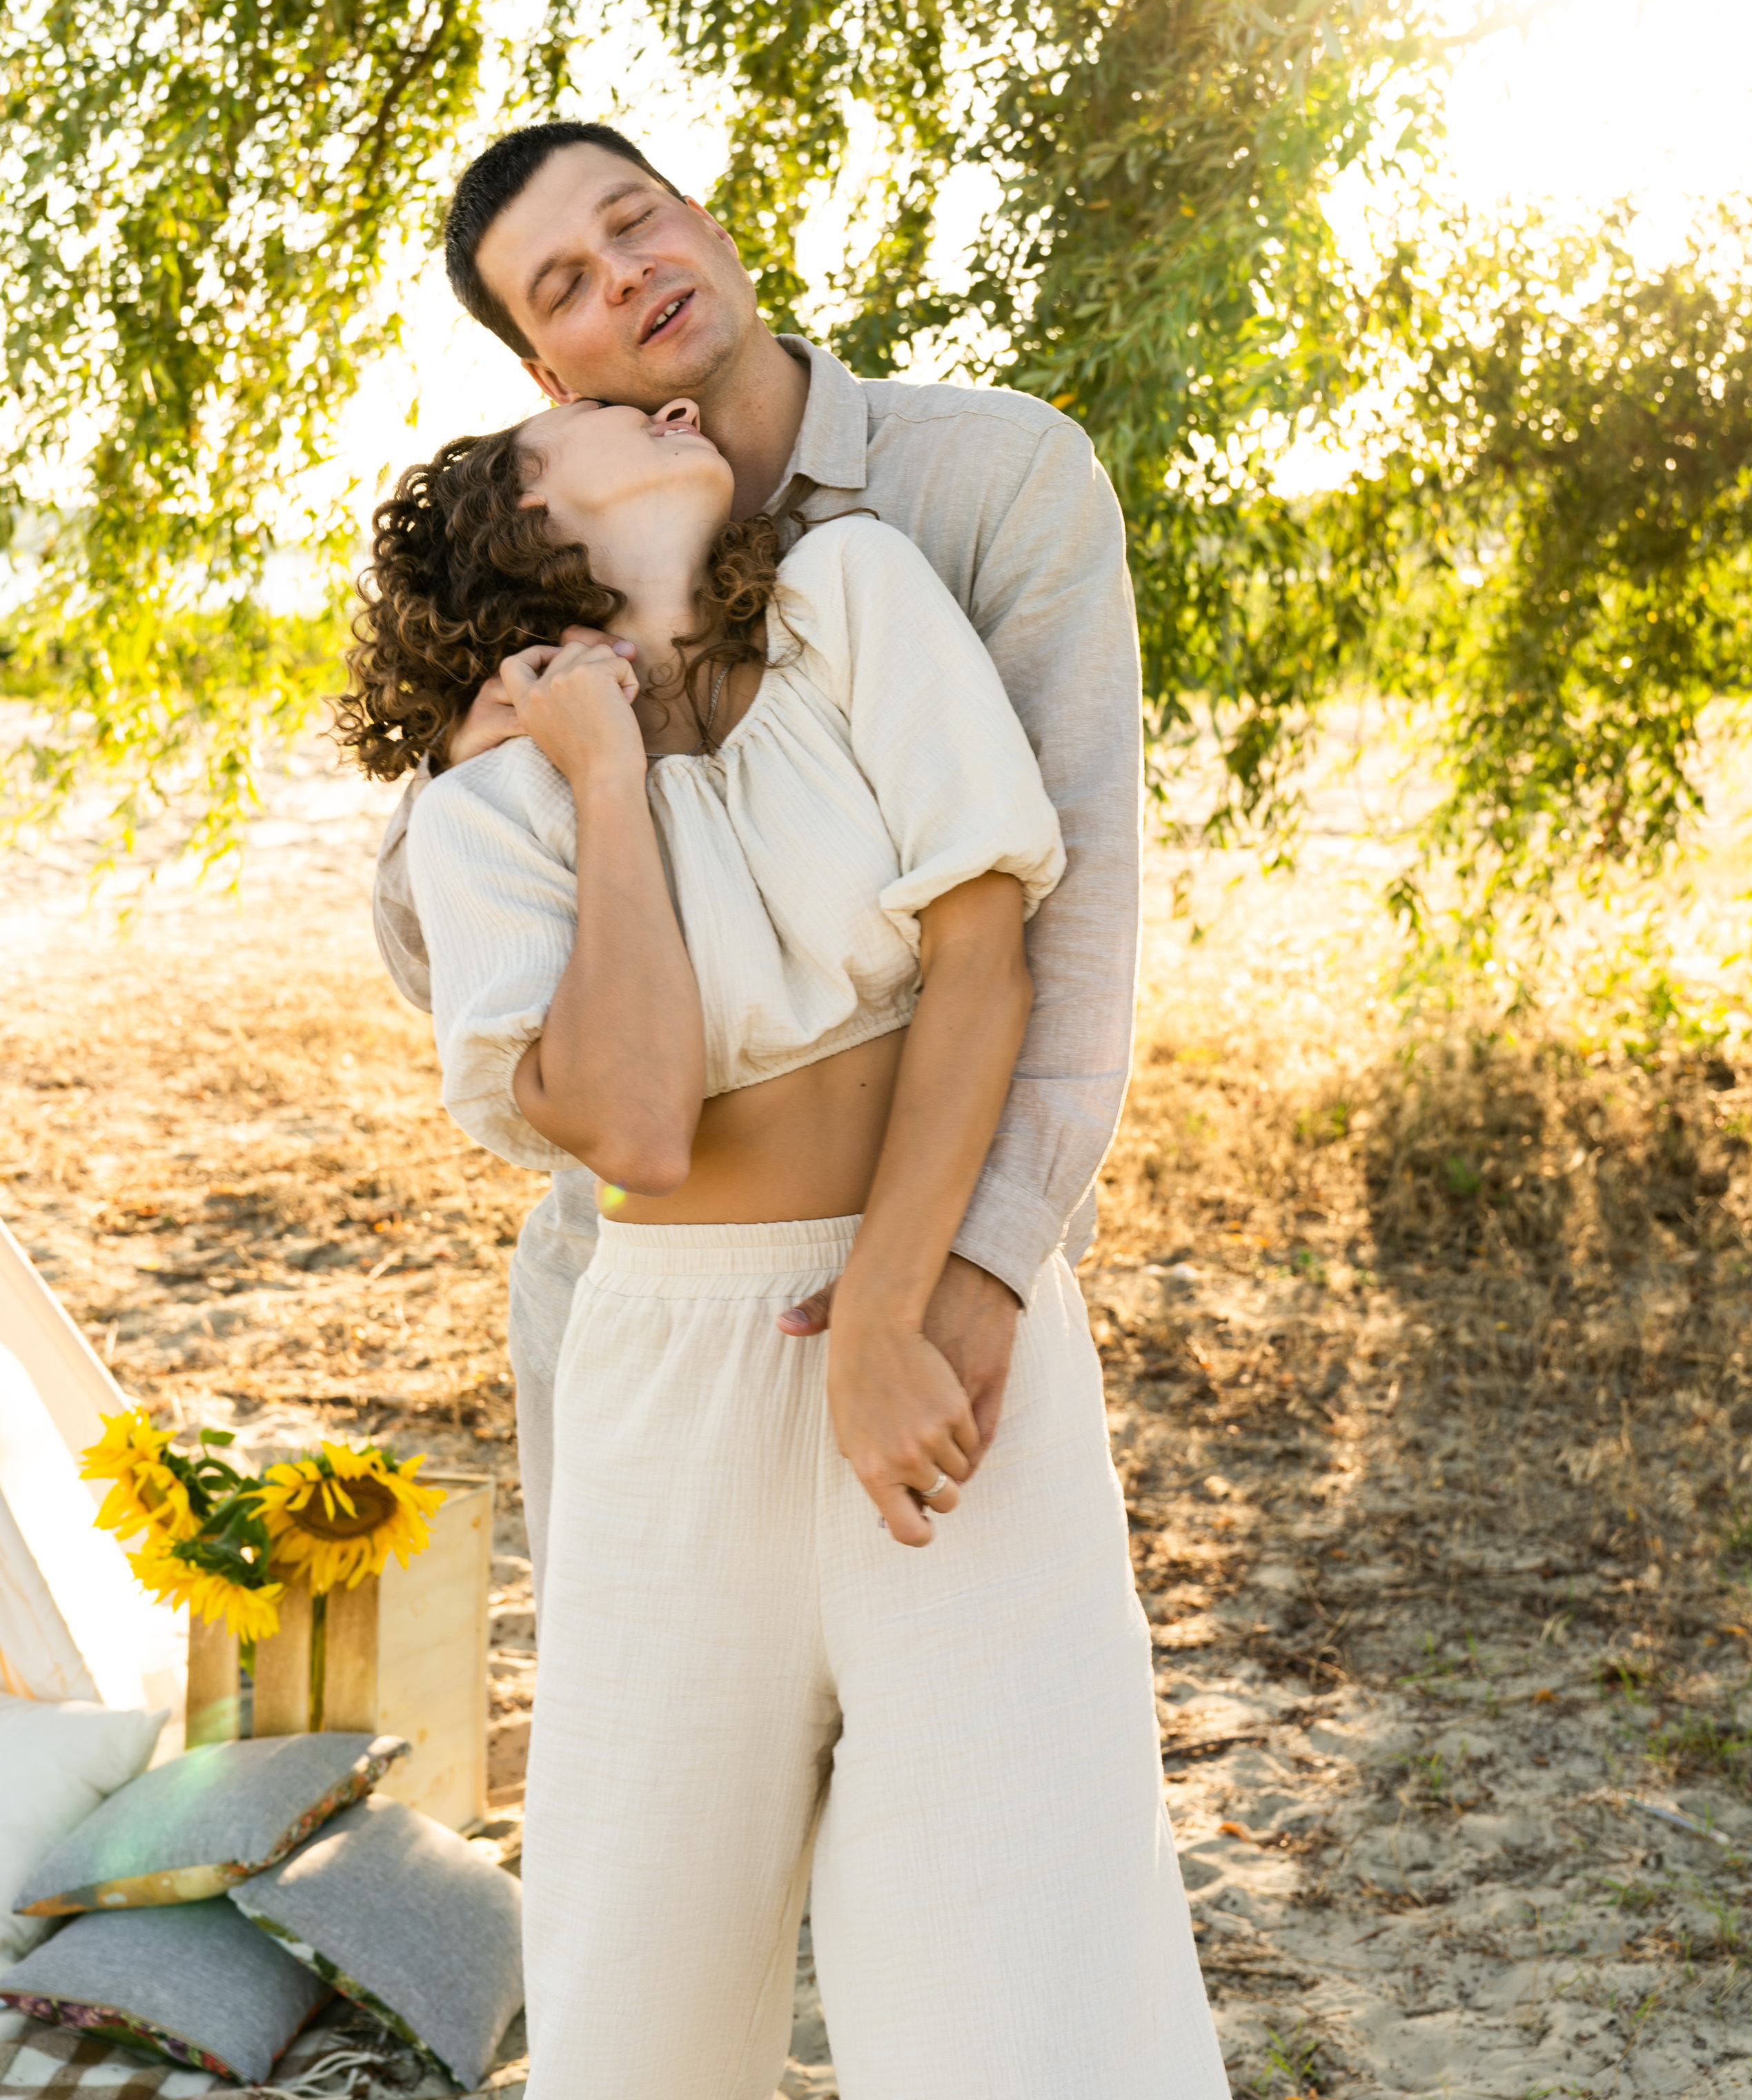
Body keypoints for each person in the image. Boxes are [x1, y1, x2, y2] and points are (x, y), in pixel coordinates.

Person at [339, 375, 1228, 2099]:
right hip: (671, 1372)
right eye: (587, 417)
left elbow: (991, 950)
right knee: (639, 1966)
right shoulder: (485, 818)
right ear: (528, 527)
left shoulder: (855, 595)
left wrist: (899, 1307)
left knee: (1026, 1940)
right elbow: (642, 1126)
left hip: (947, 1344)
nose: (659, 399)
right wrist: (605, 780)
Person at [367, 120, 1148, 1613]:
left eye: (634, 221)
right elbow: (433, 953)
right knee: (670, 1812)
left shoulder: (986, 481)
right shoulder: (551, 574)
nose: (628, 275)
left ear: (706, 220)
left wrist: (971, 1275)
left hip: (921, 1282)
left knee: (952, 1790)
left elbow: (1073, 918)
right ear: (550, 376)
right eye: (567, 285)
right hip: (634, 1293)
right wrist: (486, 747)